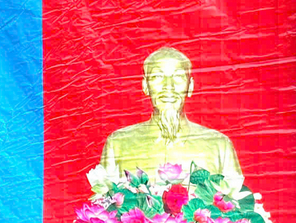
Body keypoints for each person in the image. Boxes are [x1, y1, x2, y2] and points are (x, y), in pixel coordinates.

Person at [97, 46, 241, 181]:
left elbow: (237, 198)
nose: (168, 86)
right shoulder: (118, 144)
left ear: (190, 86)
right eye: (157, 77)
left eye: (178, 76)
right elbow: (102, 197)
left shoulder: (218, 145)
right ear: (145, 86)